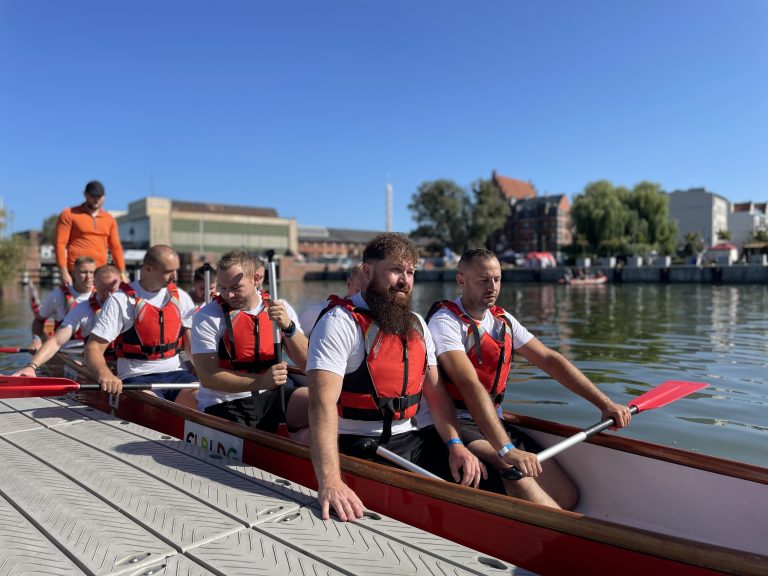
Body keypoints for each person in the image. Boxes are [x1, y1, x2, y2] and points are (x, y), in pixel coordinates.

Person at [426, 248, 632, 508]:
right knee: (520, 479)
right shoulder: (445, 322)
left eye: (497, 279)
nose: (492, 287)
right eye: (483, 280)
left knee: (568, 496)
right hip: (457, 423)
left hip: (493, 420)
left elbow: (549, 360)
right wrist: (506, 450)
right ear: (461, 280)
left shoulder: (503, 320)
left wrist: (604, 404)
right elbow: (469, 385)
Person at [307, 233, 485, 522]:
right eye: (395, 270)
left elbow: (437, 395)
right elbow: (320, 405)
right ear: (367, 272)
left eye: (411, 272)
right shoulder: (338, 324)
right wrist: (330, 482)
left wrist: (455, 445)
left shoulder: (416, 324)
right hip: (358, 445)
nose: (405, 280)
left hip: (410, 438)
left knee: (480, 478)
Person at [190, 251, 309, 441]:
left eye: (236, 287)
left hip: (271, 396)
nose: (228, 294)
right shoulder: (206, 316)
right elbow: (208, 376)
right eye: (222, 287)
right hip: (223, 402)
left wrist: (289, 327)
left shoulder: (279, 307)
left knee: (321, 403)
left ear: (255, 279)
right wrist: (260, 382)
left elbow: (309, 363)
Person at [84, 245, 198, 409]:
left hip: (177, 374)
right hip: (137, 377)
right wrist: (105, 374)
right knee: (153, 407)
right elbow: (92, 349)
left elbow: (191, 346)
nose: (174, 276)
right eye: (168, 271)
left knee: (203, 401)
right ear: (148, 269)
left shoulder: (181, 297)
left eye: (176, 270)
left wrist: (207, 375)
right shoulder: (121, 300)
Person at [14, 265, 122, 376]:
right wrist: (32, 366)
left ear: (121, 285)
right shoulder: (83, 308)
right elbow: (56, 341)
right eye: (103, 290)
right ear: (95, 285)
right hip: (94, 365)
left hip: (126, 367)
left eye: (112, 290)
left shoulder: (132, 305)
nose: (108, 295)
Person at [55, 180, 126, 287]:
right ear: (85, 195)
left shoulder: (109, 219)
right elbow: (60, 243)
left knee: (101, 303)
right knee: (75, 304)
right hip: (77, 272)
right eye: (93, 196)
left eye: (99, 196)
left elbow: (115, 247)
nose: (96, 199)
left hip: (100, 272)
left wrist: (122, 272)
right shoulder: (69, 214)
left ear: (104, 197)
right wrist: (64, 272)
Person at [30, 255, 96, 351]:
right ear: (73, 273)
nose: (89, 277)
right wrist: (36, 341)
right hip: (66, 348)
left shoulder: (101, 294)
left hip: (94, 348)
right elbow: (38, 321)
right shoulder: (57, 296)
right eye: (83, 272)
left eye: (92, 272)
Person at [298, 262, 364, 336]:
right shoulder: (318, 312)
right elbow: (295, 339)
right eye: (359, 292)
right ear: (349, 284)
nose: (365, 298)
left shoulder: (375, 318)